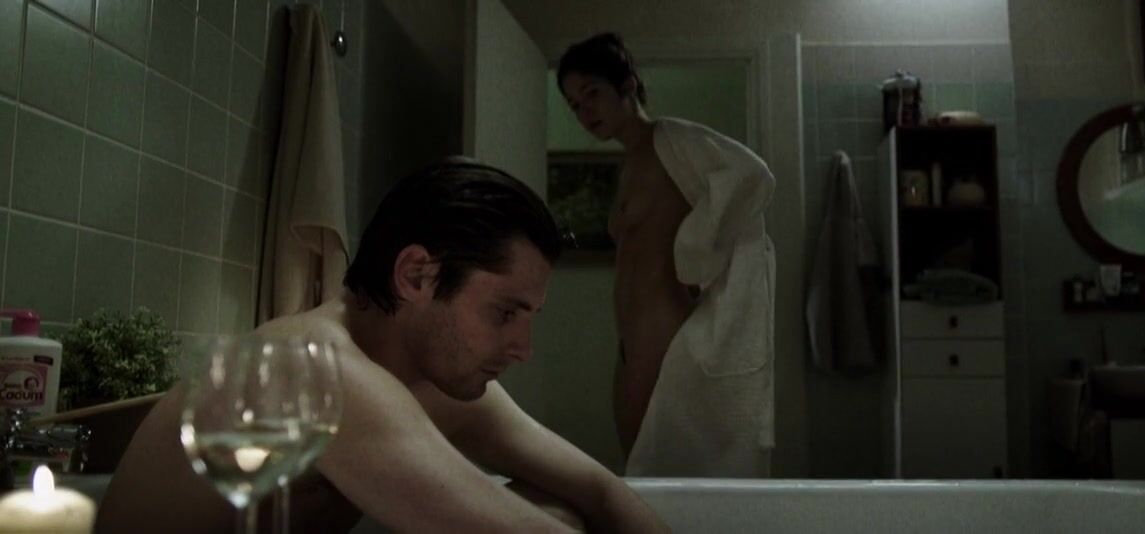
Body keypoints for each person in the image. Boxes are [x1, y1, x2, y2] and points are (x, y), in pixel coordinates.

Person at [97, 161, 670, 533]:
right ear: (417, 275)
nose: (523, 349)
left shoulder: (433, 381)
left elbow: (598, 490)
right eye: (504, 313)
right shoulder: (314, 366)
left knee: (558, 505)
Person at [557, 33, 776, 477]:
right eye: (575, 105)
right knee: (642, 483)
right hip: (631, 351)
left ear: (627, 84)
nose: (585, 112)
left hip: (667, 343)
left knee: (667, 489)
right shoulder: (631, 164)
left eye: (592, 94)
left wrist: (695, 257)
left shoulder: (672, 140)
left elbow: (751, 174)